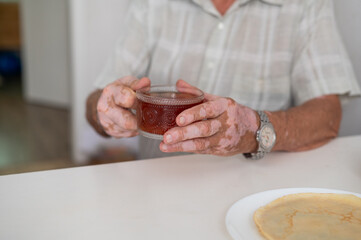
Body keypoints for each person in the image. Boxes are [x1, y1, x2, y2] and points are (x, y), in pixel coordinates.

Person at [86, 0, 360, 159]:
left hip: (253, 193)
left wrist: (253, 129)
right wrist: (106, 111)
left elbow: (327, 115)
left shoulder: (306, 4)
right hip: (152, 190)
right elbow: (97, 101)